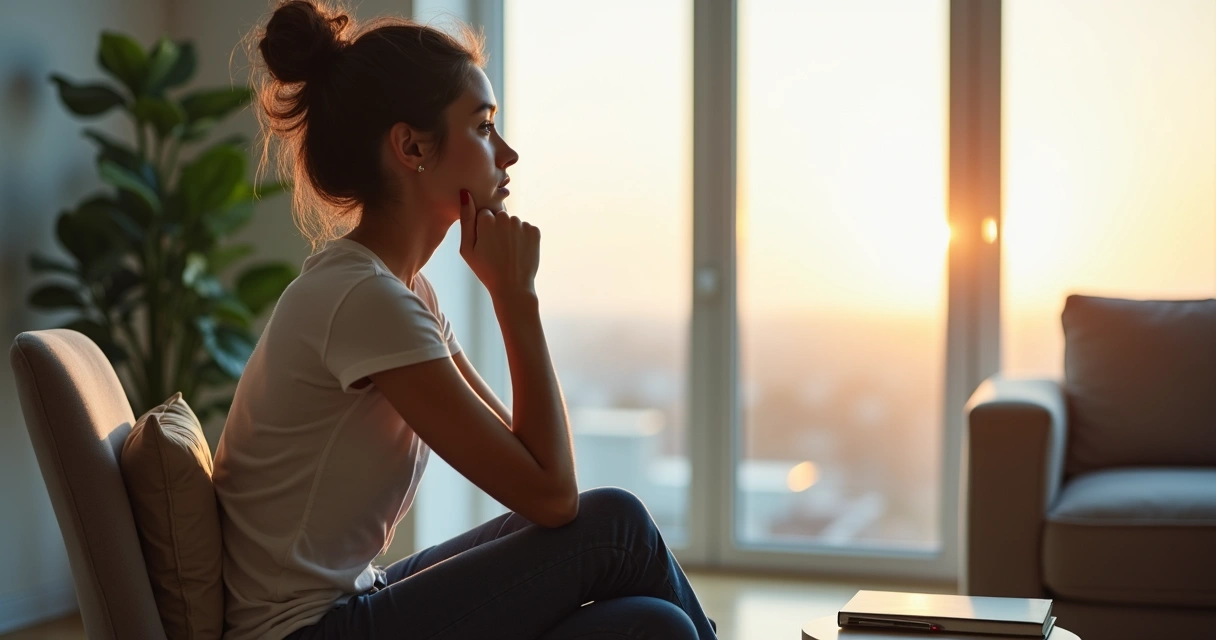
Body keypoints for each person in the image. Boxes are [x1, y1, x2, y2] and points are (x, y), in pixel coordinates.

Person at [211, 2, 719, 638]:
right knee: (616, 525)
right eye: (483, 127)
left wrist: (512, 294)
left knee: (655, 624)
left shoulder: (401, 291)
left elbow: (533, 465)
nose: (508, 153)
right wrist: (515, 297)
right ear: (411, 147)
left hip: (350, 599)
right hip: (305, 631)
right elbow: (552, 495)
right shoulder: (365, 299)